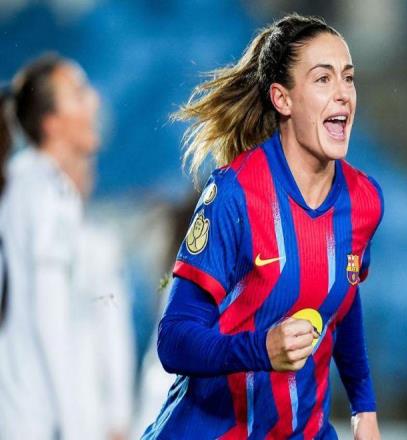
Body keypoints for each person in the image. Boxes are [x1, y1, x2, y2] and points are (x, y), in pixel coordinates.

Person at [143, 13, 384, 440]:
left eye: (348, 78)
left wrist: (363, 408)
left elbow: (345, 302)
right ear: (282, 99)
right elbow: (174, 340)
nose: (343, 94)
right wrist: (261, 349)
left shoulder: (364, 200)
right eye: (323, 79)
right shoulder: (235, 194)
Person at [0, 53, 100, 439]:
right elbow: (49, 316)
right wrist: (76, 427)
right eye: (78, 94)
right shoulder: (44, 193)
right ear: (52, 123)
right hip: (33, 415)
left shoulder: (30, 184)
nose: (93, 101)